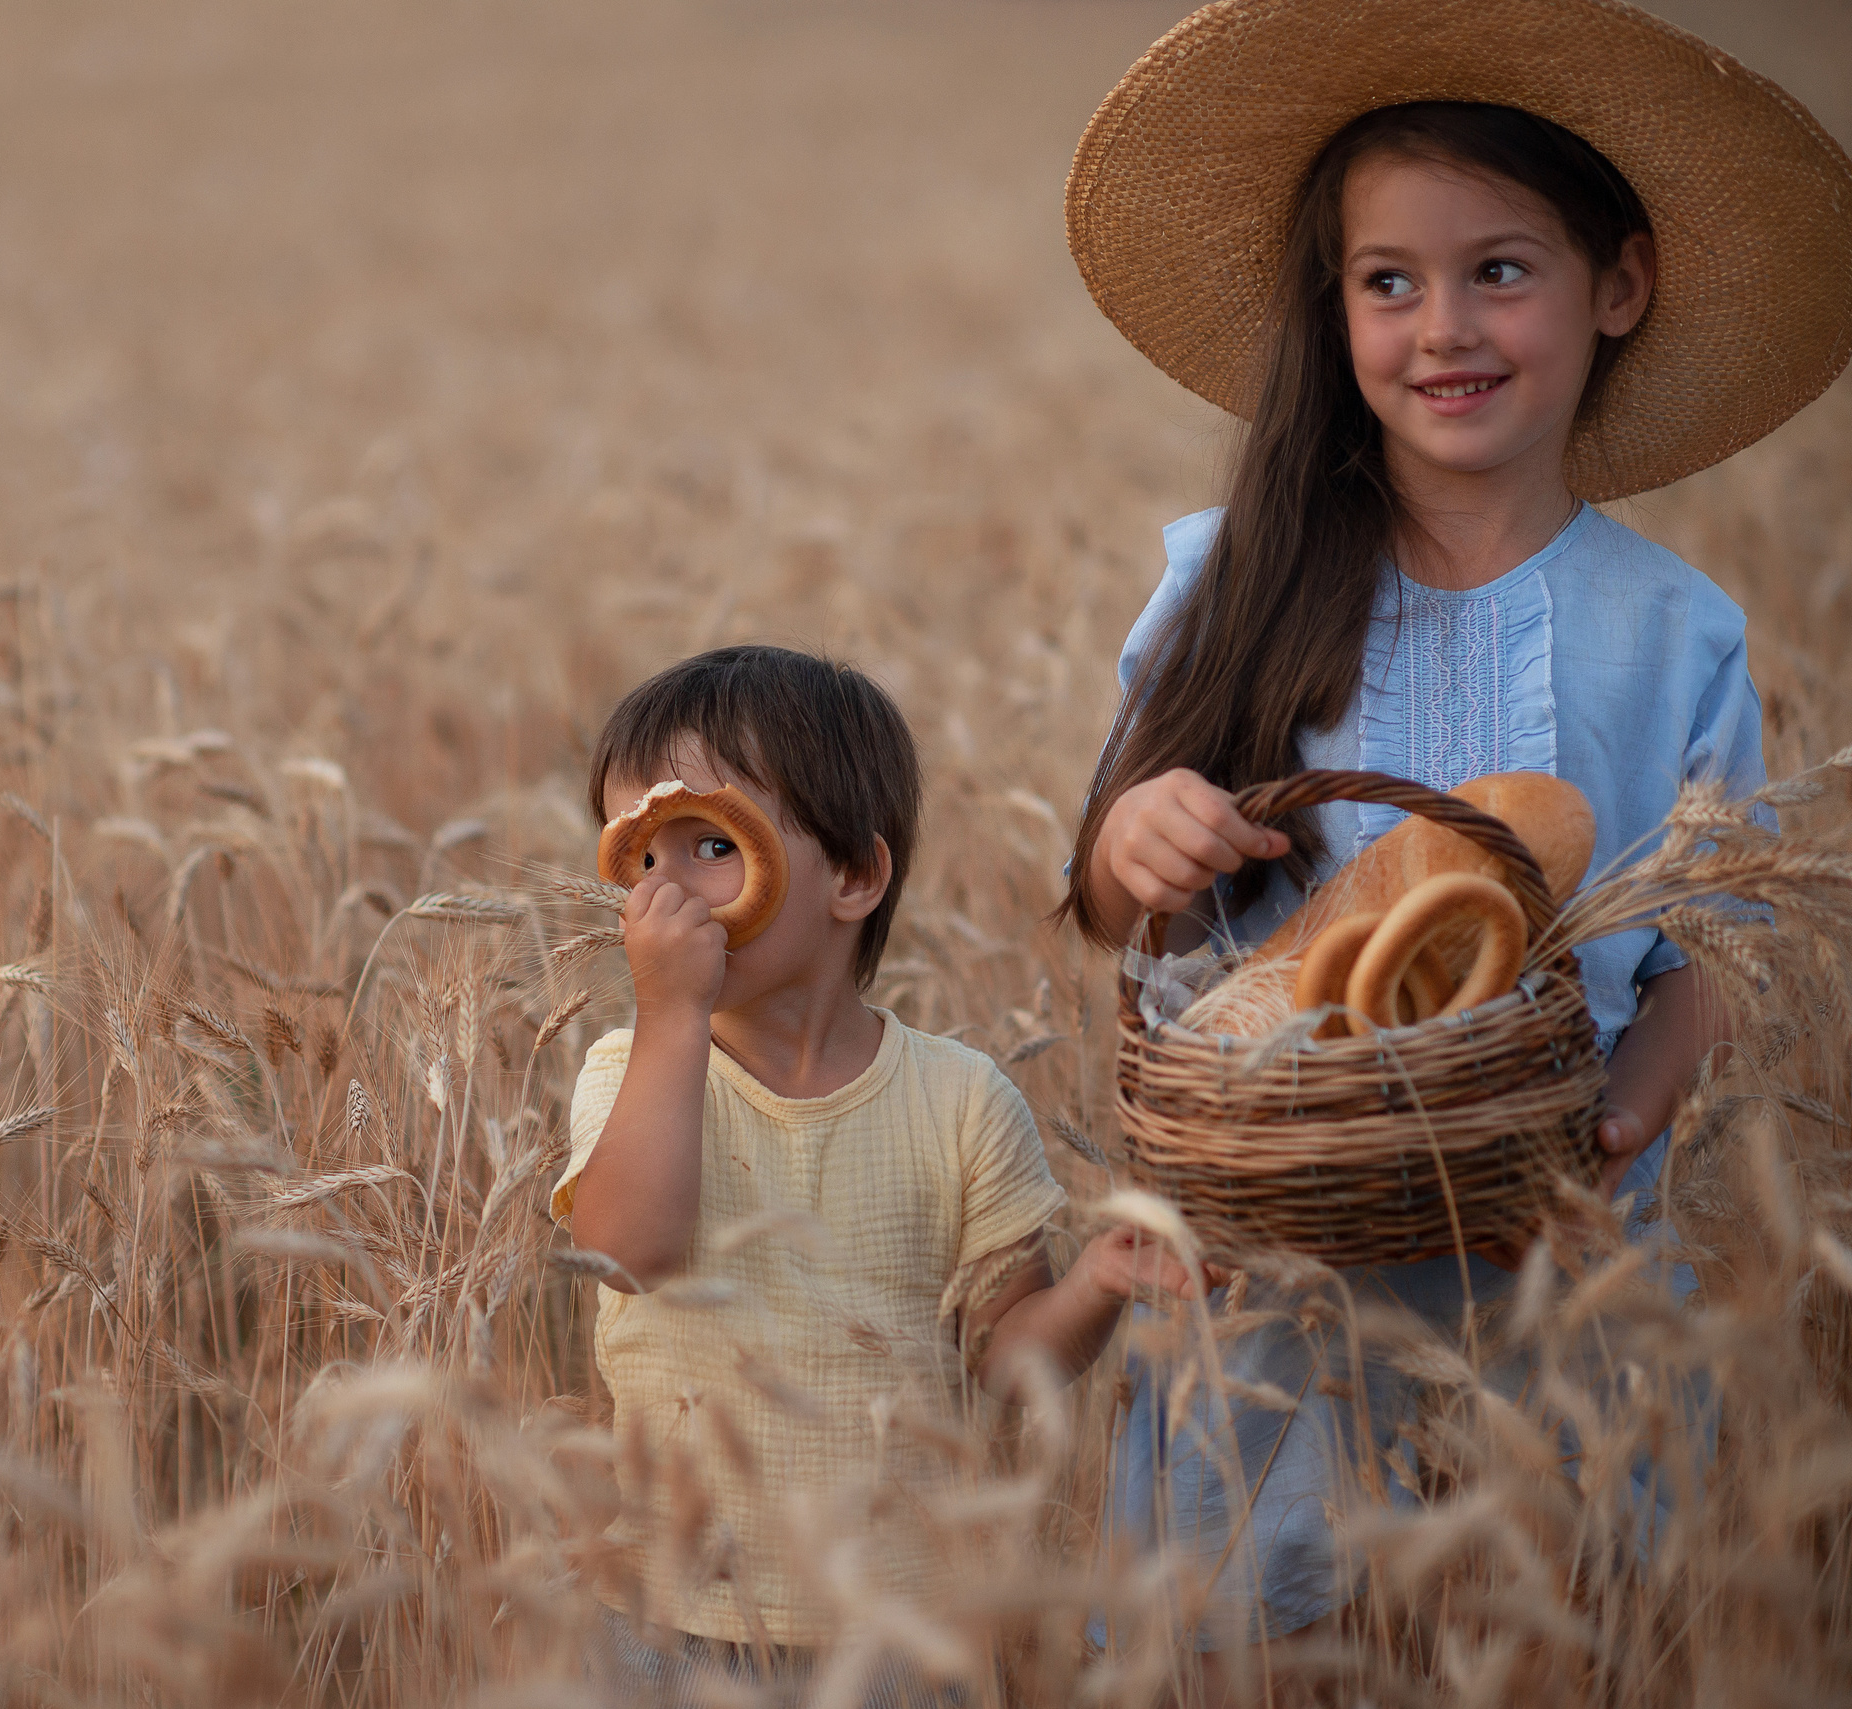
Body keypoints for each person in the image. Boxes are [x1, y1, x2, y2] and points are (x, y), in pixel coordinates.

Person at [1056, 0, 1852, 1691]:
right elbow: (1110, 891)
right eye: (1389, 282)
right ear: (1333, 310)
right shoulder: (1231, 577)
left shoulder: (1675, 629)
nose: (1444, 326)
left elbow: (1724, 931)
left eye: (1503, 269)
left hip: (1553, 1274)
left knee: (1544, 1627)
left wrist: (1619, 1117)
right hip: (1268, 1290)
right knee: (1276, 1639)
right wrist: (1143, 832)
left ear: (1615, 286)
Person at [556, 644, 1219, 1706]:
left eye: (712, 844)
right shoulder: (624, 1072)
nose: (664, 891)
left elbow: (1006, 1367)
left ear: (855, 877)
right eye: (639, 859)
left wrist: (1094, 1281)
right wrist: (668, 1015)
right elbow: (626, 1249)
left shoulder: (960, 1099)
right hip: (666, 1613)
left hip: (903, 1628)